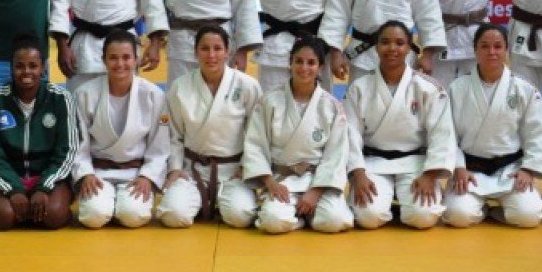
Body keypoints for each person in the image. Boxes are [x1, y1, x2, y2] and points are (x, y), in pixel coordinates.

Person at [344, 21, 455, 230]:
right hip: (372, 163)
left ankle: (405, 202)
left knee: (423, 217)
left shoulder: (428, 88)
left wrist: (430, 175)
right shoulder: (359, 88)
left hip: (415, 163)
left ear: (409, 47)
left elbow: (442, 134)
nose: (392, 48)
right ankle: (389, 203)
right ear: (376, 47)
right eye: (385, 42)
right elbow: (350, 134)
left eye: (399, 43)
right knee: (368, 217)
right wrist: (358, 175)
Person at [442, 23, 542, 228]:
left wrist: (529, 169)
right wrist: (458, 167)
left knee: (529, 216)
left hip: (510, 170)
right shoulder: (457, 88)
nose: (492, 52)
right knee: (457, 216)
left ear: (507, 50)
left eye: (498, 46)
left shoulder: (524, 89)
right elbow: (447, 134)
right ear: (475, 50)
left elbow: (538, 133)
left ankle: (496, 213)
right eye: (484, 46)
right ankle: (481, 210)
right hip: (470, 171)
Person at [241, 36, 354, 234]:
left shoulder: (332, 106)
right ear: (290, 63)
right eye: (299, 61)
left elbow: (337, 154)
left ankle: (299, 213)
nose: (304, 68)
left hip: (318, 180)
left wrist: (315, 191)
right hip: (281, 180)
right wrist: (270, 183)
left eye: (311, 63)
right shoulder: (269, 101)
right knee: (273, 222)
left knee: (335, 221)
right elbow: (255, 145)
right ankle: (300, 217)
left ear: (320, 67)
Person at [156, 26, 263, 228]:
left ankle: (220, 201)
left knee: (240, 216)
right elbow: (174, 134)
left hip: (233, 171)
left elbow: (257, 134)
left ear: (228, 51)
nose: (211, 55)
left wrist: (246, 166)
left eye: (217, 48)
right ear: (195, 52)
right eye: (205, 48)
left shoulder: (247, 85)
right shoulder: (180, 86)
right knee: (173, 214)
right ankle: (202, 199)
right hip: (192, 169)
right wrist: (175, 168)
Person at [0, 33, 79, 230]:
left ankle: (47, 206)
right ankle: (22, 208)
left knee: (53, 216)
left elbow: (67, 150)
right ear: (11, 68)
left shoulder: (61, 99)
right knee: (3, 218)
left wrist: (45, 187)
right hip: (9, 174)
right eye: (19, 66)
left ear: (43, 68)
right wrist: (13, 188)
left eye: (33, 66)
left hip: (49, 176)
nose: (26, 72)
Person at [71, 30, 170, 229]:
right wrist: (85, 174)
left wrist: (147, 176)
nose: (120, 64)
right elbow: (77, 142)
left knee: (132, 216)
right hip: (98, 173)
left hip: (135, 173)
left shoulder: (153, 95)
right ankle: (108, 204)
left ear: (136, 59)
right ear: (104, 60)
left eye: (126, 57)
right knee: (93, 217)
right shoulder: (85, 94)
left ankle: (119, 205)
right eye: (113, 58)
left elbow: (159, 144)